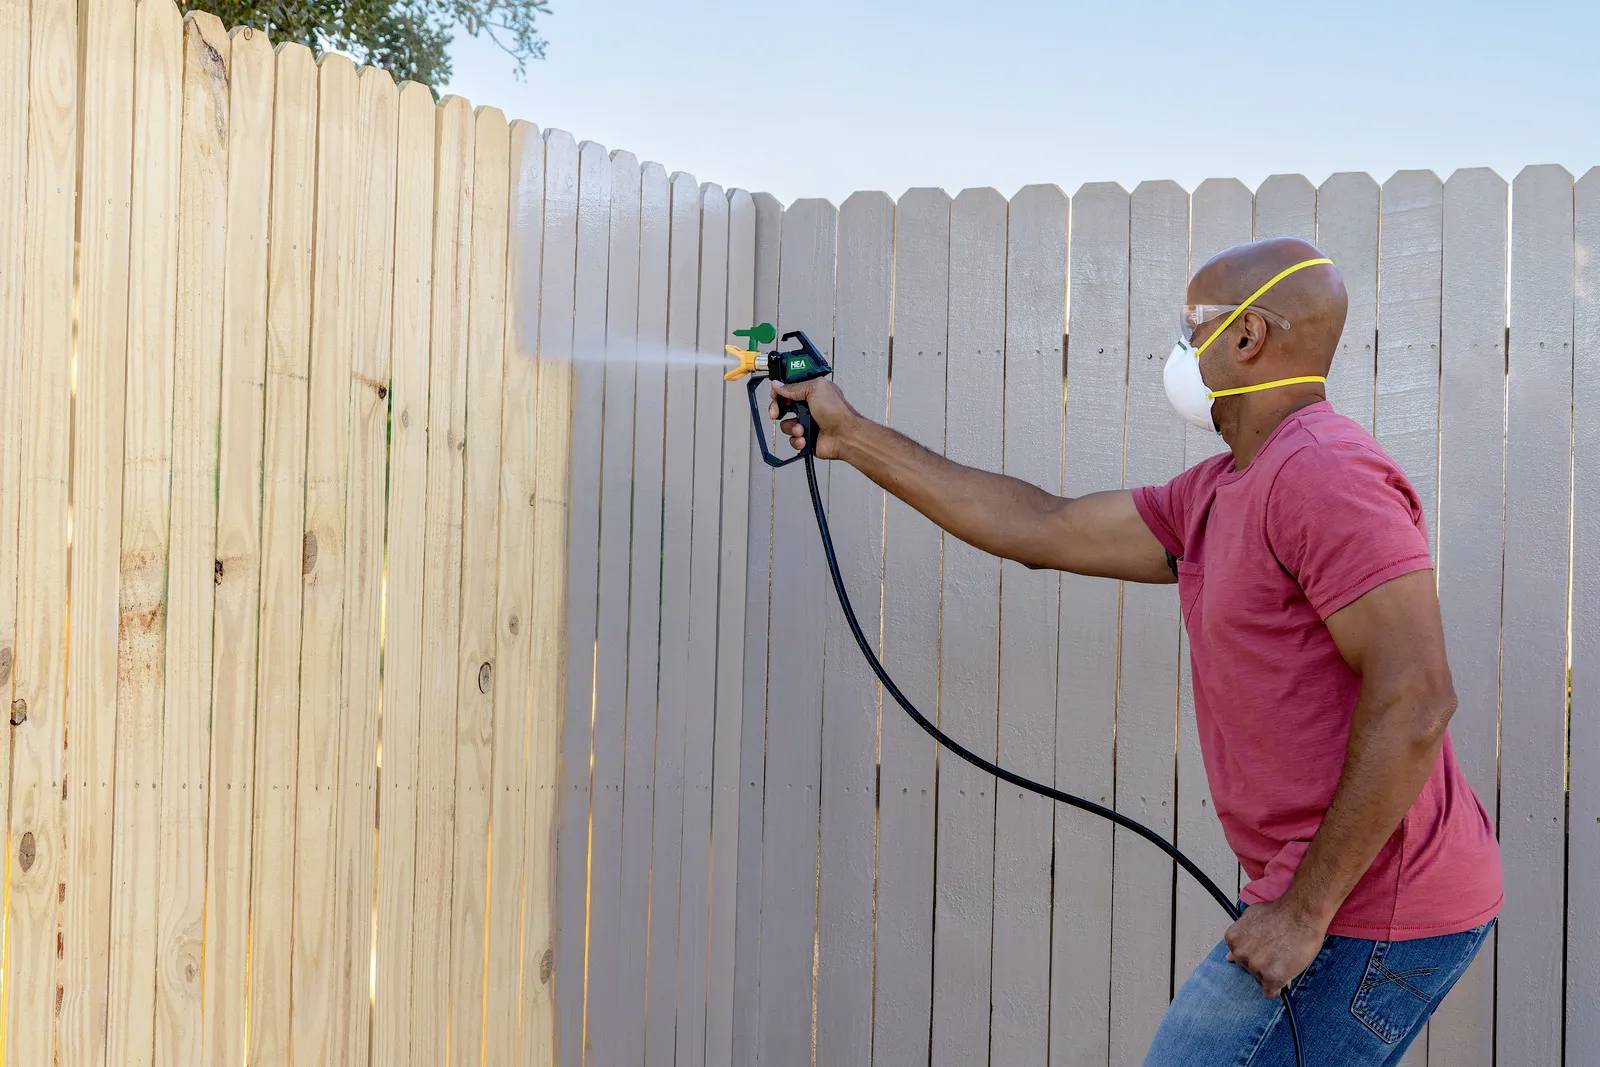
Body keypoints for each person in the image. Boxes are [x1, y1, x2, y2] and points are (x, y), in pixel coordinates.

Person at [768, 237, 1503, 1065]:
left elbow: (1418, 697)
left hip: (1370, 908)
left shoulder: (1323, 473)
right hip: (1334, 896)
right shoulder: (1223, 490)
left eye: (1193, 325)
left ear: (1249, 336)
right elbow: (1041, 526)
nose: (1182, 347)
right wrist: (850, 435)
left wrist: (1301, 912)